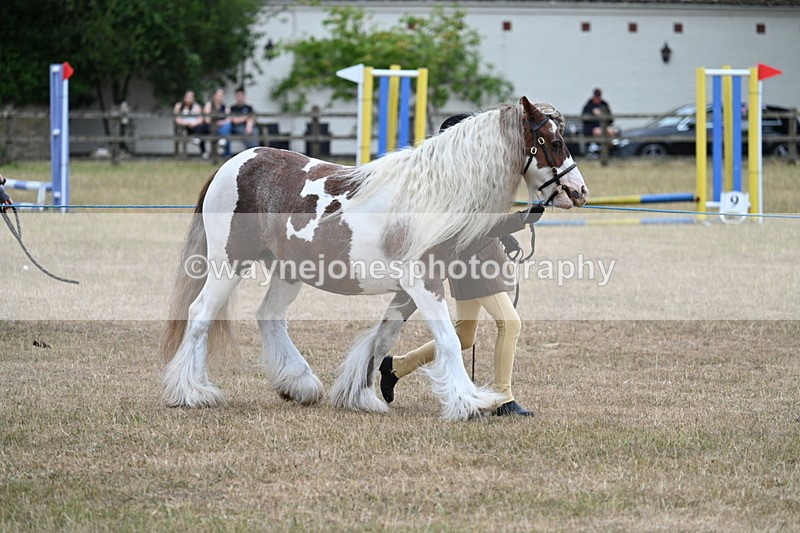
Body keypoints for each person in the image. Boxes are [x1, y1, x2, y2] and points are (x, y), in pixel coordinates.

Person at [378, 113, 546, 418]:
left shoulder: (464, 174)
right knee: (510, 323)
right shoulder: (455, 180)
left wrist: (507, 236)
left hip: (474, 259)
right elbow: (476, 225)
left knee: (465, 335)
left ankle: (396, 366)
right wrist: (522, 219)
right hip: (474, 263)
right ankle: (503, 397)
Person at [173, 90, 210, 158]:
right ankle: (203, 150)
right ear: (184, 97)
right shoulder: (179, 106)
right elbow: (177, 119)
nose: (190, 99)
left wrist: (194, 123)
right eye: (188, 97)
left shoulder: (196, 106)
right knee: (201, 132)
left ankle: (197, 139)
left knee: (205, 126)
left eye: (191, 97)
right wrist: (187, 123)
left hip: (196, 126)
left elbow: (200, 119)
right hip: (185, 127)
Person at [581, 88, 617, 154]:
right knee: (599, 132)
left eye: (599, 96)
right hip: (592, 128)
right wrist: (593, 114)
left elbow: (611, 119)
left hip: (604, 127)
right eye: (596, 96)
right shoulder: (589, 105)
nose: (598, 98)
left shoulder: (604, 104)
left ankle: (610, 149)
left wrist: (602, 114)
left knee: (611, 131)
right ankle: (608, 149)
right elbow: (584, 118)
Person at [229, 86, 260, 152]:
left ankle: (255, 150)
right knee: (245, 132)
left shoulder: (249, 107)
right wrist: (246, 118)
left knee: (255, 131)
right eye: (238, 95)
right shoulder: (233, 108)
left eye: (241, 95)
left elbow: (254, 118)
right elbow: (234, 120)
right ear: (236, 96)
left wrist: (249, 124)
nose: (239, 97)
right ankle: (251, 151)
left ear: (244, 96)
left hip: (249, 127)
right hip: (237, 127)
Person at [204, 88, 232, 157]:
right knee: (226, 130)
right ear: (214, 96)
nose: (220, 97)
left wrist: (221, 122)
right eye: (218, 95)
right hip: (211, 127)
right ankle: (226, 152)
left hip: (223, 127)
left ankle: (223, 140)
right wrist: (217, 123)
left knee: (228, 126)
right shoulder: (209, 105)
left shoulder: (225, 107)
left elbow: (229, 119)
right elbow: (207, 119)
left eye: (221, 96)